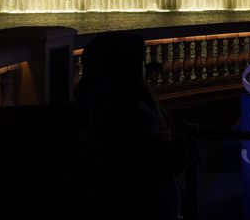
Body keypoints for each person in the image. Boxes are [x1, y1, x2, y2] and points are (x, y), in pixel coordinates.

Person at [74, 32, 186, 220]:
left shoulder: (92, 105)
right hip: (145, 204)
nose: (142, 69)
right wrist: (181, 148)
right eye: (139, 64)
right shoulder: (133, 111)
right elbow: (156, 160)